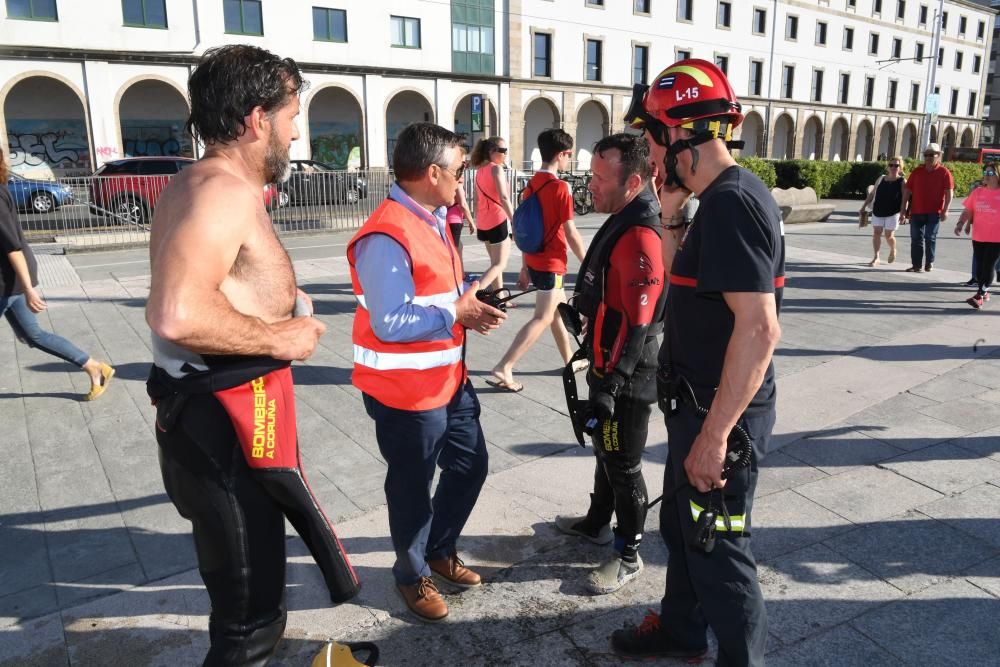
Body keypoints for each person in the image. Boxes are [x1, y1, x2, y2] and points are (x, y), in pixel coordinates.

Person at [144, 45, 359, 665]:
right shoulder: (220, 192)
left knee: (253, 594)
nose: (298, 131)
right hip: (223, 432)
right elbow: (177, 312)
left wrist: (280, 310)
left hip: (218, 424)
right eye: (294, 114)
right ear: (257, 118)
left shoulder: (202, 184)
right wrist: (279, 338)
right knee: (248, 623)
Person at [614, 59, 784, 666]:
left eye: (652, 140)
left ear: (679, 136)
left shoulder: (735, 204)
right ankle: (683, 634)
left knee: (719, 549)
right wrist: (669, 213)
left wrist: (713, 437)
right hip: (697, 407)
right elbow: (684, 281)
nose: (649, 156)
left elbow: (760, 328)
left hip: (720, 418)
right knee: (685, 534)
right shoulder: (717, 202)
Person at [347, 122, 507, 623]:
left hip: (448, 380)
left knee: (470, 465)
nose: (464, 180)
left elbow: (438, 296)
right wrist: (454, 315)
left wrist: (470, 308)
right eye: (459, 172)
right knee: (412, 488)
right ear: (432, 171)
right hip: (406, 393)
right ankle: (411, 571)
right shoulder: (388, 232)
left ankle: (439, 549)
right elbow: (391, 322)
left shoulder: (433, 218)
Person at [553, 133, 666, 594]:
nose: (590, 185)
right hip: (606, 364)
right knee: (606, 450)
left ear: (633, 180)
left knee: (623, 464)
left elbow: (639, 325)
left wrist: (611, 385)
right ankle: (597, 522)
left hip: (629, 378)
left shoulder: (641, 233)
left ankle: (628, 554)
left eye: (600, 178)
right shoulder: (621, 216)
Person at [0, 150, 114, 401]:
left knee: (33, 335)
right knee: (33, 335)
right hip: (13, 279)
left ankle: (95, 367)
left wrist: (29, 289)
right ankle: (94, 367)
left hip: (10, 279)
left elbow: (13, 248)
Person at [488, 129, 587, 392]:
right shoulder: (560, 188)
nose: (569, 159)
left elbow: (526, 228)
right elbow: (571, 232)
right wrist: (589, 262)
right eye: (569, 155)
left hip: (534, 259)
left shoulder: (531, 185)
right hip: (551, 262)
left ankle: (570, 361)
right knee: (543, 317)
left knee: (558, 313)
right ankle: (505, 366)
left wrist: (524, 266)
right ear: (562, 154)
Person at [470, 136, 515, 290]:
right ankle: (474, 293)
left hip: (484, 222)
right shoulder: (496, 169)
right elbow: (503, 197)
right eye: (503, 151)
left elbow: (476, 200)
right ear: (492, 152)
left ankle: (500, 298)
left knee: (495, 264)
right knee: (499, 264)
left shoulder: (480, 171)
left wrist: (476, 220)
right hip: (498, 220)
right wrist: (514, 221)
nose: (505, 154)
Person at [901, 142, 954, 273]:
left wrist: (946, 210)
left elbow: (949, 192)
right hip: (917, 211)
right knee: (916, 239)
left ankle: (929, 262)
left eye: (932, 154)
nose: (929, 157)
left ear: (939, 156)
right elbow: (907, 191)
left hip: (934, 212)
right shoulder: (917, 171)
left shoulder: (944, 172)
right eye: (926, 155)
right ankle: (916, 265)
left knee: (930, 237)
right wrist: (903, 209)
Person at [955, 163, 1000, 309]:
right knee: (980, 267)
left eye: (991, 173)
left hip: (997, 238)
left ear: (998, 176)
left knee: (988, 266)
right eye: (985, 172)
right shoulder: (977, 192)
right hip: (979, 236)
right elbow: (968, 210)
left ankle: (980, 295)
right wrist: (961, 223)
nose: (986, 175)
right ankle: (984, 291)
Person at [859, 157, 904, 267]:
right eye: (891, 165)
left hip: (893, 212)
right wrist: (863, 206)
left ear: (900, 168)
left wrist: (903, 213)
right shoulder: (881, 179)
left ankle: (893, 249)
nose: (893, 167)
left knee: (889, 235)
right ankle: (876, 257)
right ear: (888, 167)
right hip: (878, 210)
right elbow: (872, 193)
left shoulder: (902, 181)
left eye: (896, 165)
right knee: (876, 233)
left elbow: (905, 199)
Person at [446, 179, 476, 263]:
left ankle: (461, 273)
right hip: (454, 219)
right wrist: (471, 222)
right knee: (454, 250)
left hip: (448, 218)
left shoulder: (448, 182)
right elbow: (463, 204)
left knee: (459, 246)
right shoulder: (458, 184)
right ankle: (454, 274)